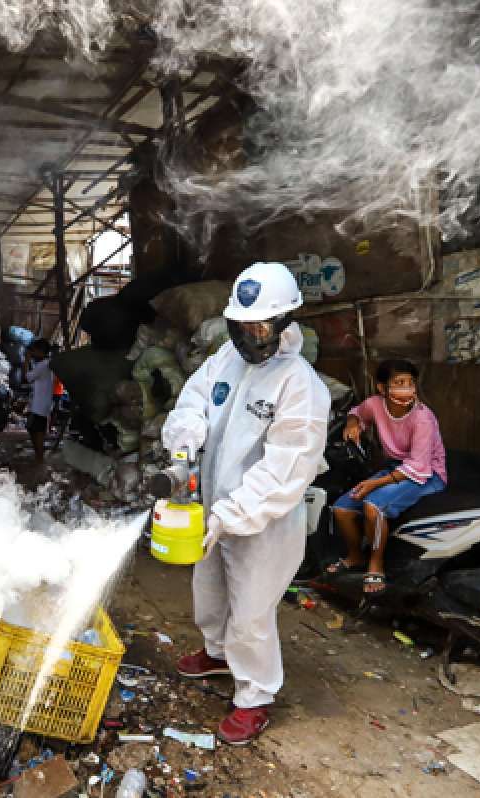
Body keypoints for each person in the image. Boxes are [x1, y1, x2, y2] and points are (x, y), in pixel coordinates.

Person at [162, 262, 330, 745]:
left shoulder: (300, 383)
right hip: (212, 504)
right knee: (209, 587)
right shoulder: (224, 361)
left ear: (284, 323)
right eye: (242, 326)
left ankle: (254, 695)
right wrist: (184, 445)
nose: (250, 337)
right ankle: (216, 653)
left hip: (265, 520)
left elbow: (286, 466)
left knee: (252, 610)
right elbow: (192, 403)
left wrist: (231, 515)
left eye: (261, 327)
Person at [325, 359, 447, 595]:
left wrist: (375, 483)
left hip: (426, 474)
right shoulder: (375, 404)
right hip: (396, 468)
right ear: (382, 388)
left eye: (410, 383)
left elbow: (419, 466)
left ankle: (376, 563)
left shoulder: (423, 418)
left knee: (373, 505)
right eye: (399, 383)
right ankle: (355, 556)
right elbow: (357, 412)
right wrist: (353, 424)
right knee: (342, 509)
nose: (407, 389)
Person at [23, 339, 53, 465]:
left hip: (40, 405)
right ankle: (38, 456)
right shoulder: (45, 364)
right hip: (40, 403)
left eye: (35, 351)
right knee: (32, 428)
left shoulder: (43, 365)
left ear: (41, 351)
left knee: (38, 431)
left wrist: (26, 360)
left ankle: (40, 459)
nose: (33, 353)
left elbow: (27, 377)